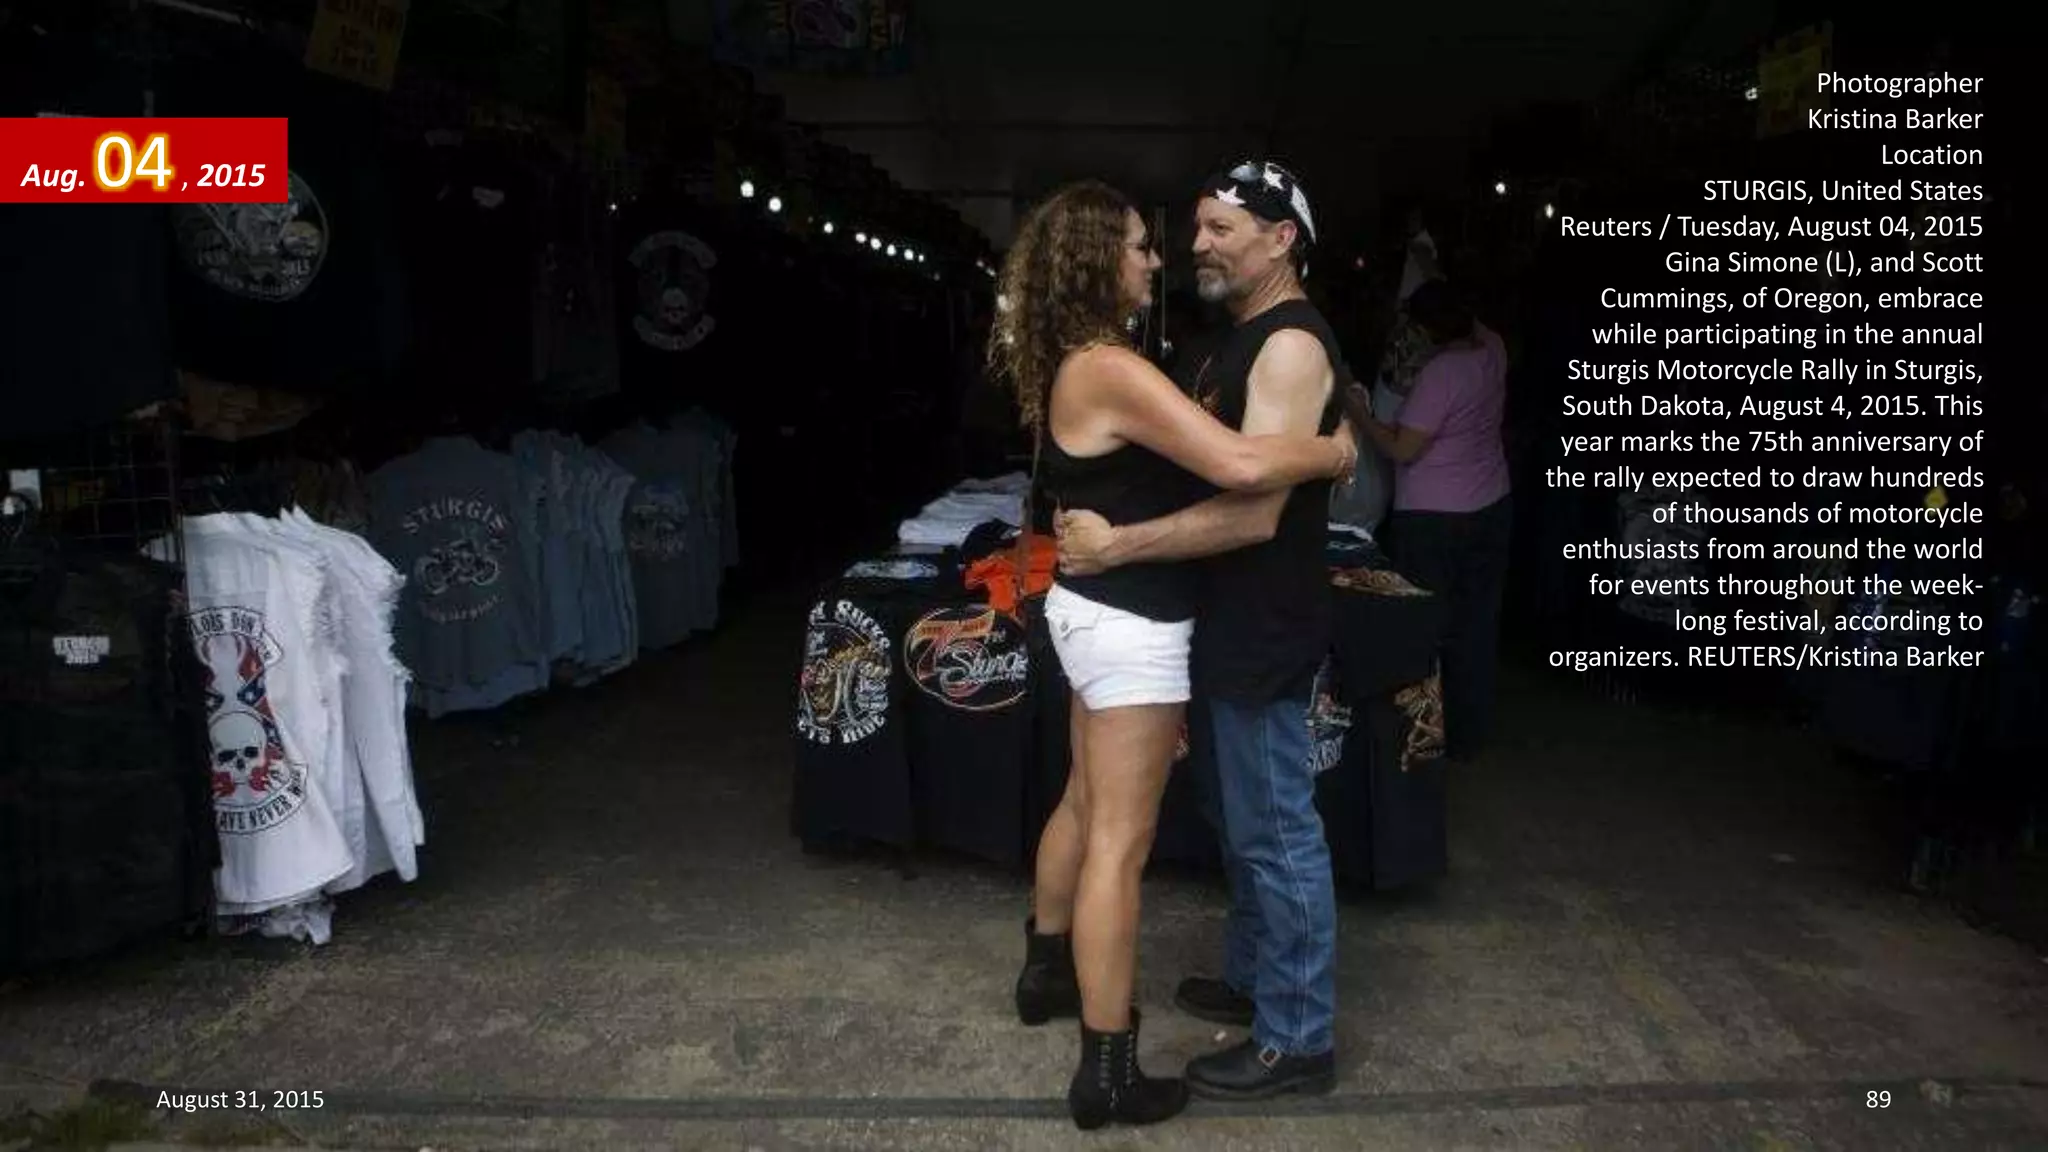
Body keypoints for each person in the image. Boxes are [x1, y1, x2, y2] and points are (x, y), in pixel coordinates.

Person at [991, 179, 1355, 1130]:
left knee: (1103, 808)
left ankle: (1052, 970)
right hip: (1127, 618)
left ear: (1281, 240)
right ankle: (1106, 1069)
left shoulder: (1237, 345)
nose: (1168, 253)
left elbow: (1250, 501)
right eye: (1145, 242)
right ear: (1093, 263)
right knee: (1122, 837)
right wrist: (1335, 453)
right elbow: (1244, 468)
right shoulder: (1111, 364)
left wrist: (1118, 545)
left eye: (1207, 230)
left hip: (1111, 611)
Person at [1355, 278, 1512, 759]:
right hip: (1491, 505)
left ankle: (1422, 736)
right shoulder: (1493, 350)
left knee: (1424, 628)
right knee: (1476, 626)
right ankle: (1470, 735)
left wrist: (1356, 410)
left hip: (1434, 517)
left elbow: (1402, 448)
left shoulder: (1442, 373)